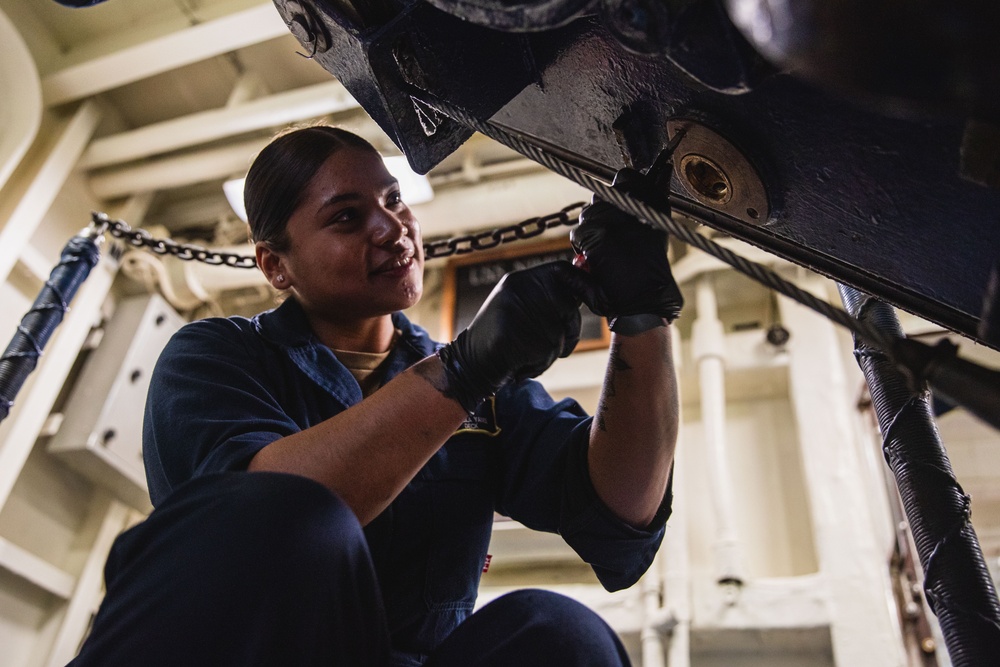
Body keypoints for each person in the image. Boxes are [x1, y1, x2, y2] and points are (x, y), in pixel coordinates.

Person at [68, 125, 683, 666]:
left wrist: (642, 317)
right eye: (345, 216)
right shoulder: (216, 357)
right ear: (276, 265)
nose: (393, 227)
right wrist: (463, 372)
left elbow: (621, 509)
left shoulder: (481, 393)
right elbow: (277, 515)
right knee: (292, 515)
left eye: (394, 200)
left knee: (562, 638)